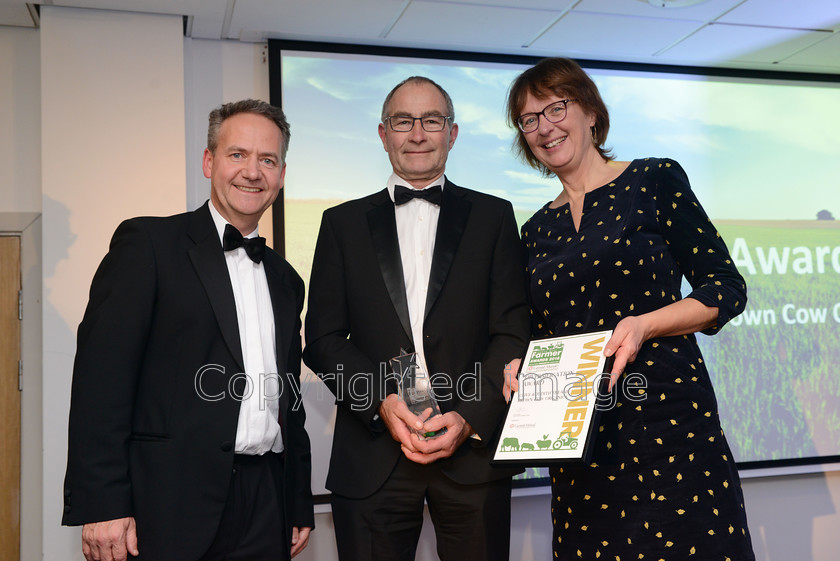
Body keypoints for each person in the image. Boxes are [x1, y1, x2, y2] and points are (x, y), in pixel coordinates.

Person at [503, 58, 756, 560]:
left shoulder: (654, 180)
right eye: (529, 120)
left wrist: (645, 325)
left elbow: (726, 287)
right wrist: (519, 362)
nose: (544, 127)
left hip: (669, 429)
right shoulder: (532, 231)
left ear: (591, 112)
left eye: (557, 108)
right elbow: (538, 333)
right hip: (580, 447)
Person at [62, 99, 314, 561]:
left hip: (266, 503)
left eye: (268, 160)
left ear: (280, 174)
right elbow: (102, 382)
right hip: (166, 503)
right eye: (237, 154)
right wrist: (103, 503)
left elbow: (287, 398)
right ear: (208, 161)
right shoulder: (148, 246)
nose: (252, 172)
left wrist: (298, 499)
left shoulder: (286, 279)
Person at [303, 76, 530, 561]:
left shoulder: (495, 217)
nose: (418, 133)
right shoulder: (341, 225)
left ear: (452, 133)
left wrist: (469, 418)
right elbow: (323, 338)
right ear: (383, 134)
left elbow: (511, 330)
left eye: (432, 120)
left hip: (473, 455)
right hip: (372, 456)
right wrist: (383, 402)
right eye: (403, 121)